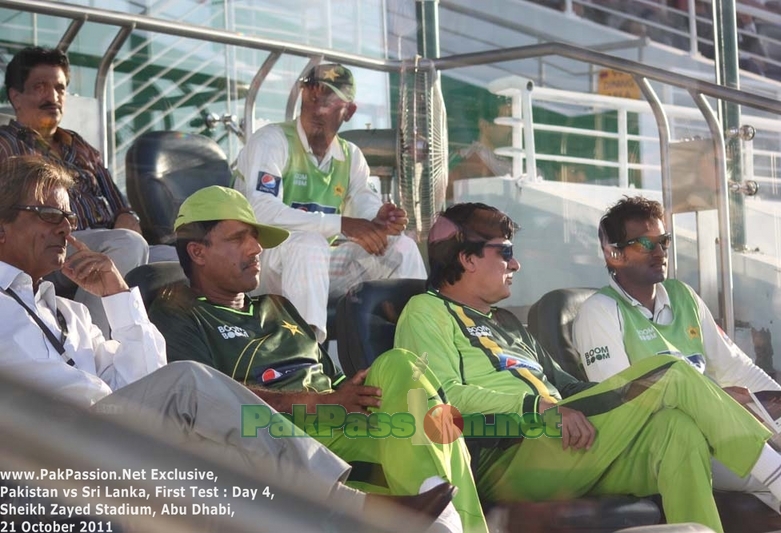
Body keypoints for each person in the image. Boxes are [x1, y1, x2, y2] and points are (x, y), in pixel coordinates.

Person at [0, 156, 454, 528]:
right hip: (42, 444)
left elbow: (142, 380)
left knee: (222, 456)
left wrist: (120, 297)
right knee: (190, 383)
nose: (67, 229)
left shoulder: (70, 313)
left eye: (69, 216)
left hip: (109, 436)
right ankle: (351, 508)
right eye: (49, 215)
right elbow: (172, 384)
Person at [393, 202, 781, 533]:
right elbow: (443, 398)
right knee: (671, 371)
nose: (515, 265)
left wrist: (573, 404)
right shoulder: (426, 311)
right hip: (505, 452)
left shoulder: (506, 323)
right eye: (506, 252)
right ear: (466, 259)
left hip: (563, 442)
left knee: (677, 428)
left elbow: (568, 388)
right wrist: (541, 409)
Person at [148, 185, 487, 533]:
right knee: (425, 449)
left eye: (255, 237)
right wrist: (318, 402)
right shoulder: (177, 311)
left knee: (409, 379)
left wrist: (359, 392)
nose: (256, 248)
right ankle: (443, 520)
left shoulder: (276, 306)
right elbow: (210, 400)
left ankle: (438, 516)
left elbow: (332, 378)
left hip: (338, 418)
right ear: (197, 252)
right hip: (280, 438)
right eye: (238, 239)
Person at [572, 195, 781, 520]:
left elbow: (737, 368)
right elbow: (621, 405)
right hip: (670, 442)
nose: (660, 251)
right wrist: (719, 402)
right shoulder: (599, 312)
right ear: (615, 254)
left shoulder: (683, 296)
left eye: (663, 241)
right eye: (644, 244)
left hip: (727, 435)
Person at [233, 63, 426, 342]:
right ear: (302, 93)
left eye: (328, 99)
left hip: (315, 267)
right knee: (310, 244)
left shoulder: (351, 156)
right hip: (258, 263)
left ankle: (422, 347)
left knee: (402, 249)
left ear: (349, 112)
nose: (317, 106)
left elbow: (362, 200)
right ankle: (308, 357)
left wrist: (379, 220)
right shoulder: (271, 140)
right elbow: (260, 212)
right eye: (313, 94)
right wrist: (343, 224)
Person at [0, 46, 177, 336]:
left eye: (59, 88)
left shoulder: (80, 147)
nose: (52, 96)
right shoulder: (6, 145)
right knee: (127, 245)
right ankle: (91, 349)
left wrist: (125, 216)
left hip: (106, 241)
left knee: (181, 259)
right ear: (15, 97)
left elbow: (120, 206)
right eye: (40, 87)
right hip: (47, 241)